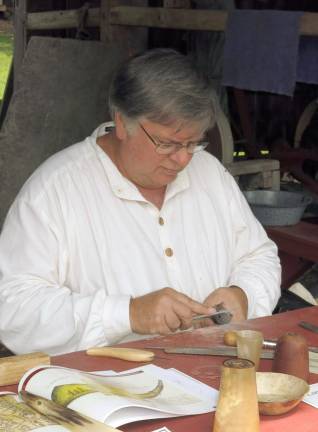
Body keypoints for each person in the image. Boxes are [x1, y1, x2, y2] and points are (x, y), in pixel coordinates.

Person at [0, 48, 281, 355]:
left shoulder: (210, 173)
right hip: (102, 390)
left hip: (214, 374)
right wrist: (127, 314)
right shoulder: (56, 189)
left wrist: (243, 295)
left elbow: (259, 256)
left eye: (193, 142)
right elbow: (13, 308)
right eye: (167, 144)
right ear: (122, 122)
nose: (183, 159)